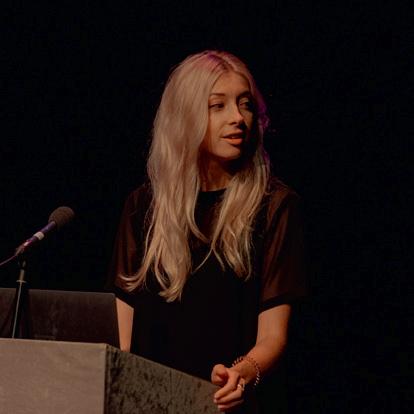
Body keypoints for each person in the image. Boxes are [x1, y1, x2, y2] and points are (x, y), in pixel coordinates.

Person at [107, 50, 306, 413]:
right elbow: (123, 332)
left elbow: (274, 335)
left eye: (245, 104)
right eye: (218, 106)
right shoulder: (143, 206)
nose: (238, 118)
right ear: (185, 116)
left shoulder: (274, 205)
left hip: (223, 405)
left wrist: (241, 374)